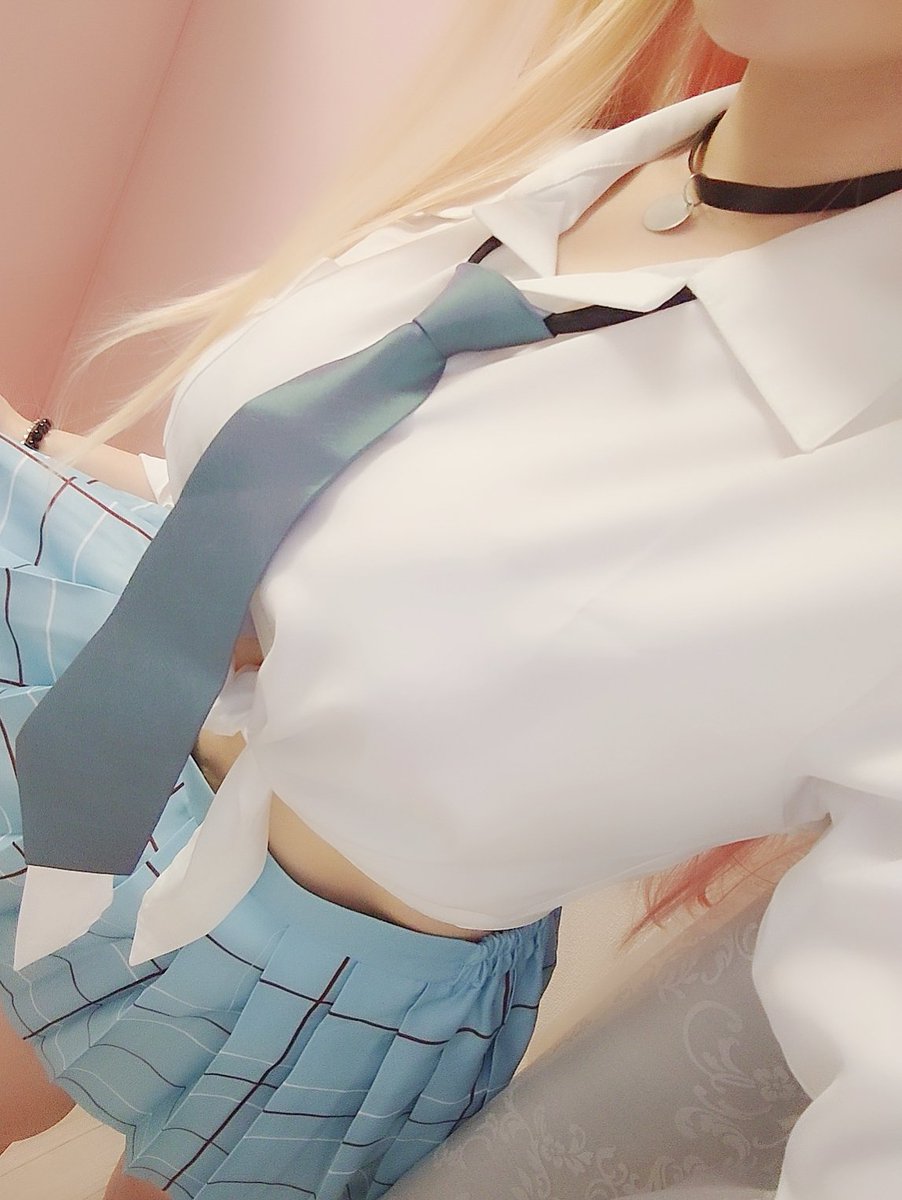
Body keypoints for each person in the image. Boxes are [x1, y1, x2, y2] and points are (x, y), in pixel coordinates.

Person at [1, 0, 900, 1196]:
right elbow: (287, 521)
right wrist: (38, 449)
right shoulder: (548, 172)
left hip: (320, 1005)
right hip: (110, 789)